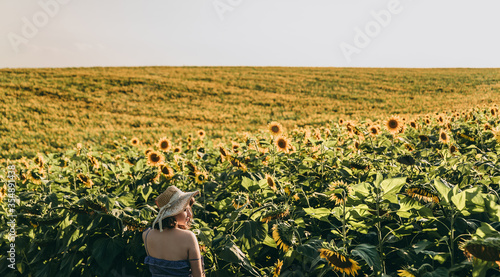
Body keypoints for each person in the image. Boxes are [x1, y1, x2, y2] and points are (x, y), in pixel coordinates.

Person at [142, 185, 205, 277]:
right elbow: (198, 275)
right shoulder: (188, 237)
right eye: (184, 210)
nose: (189, 214)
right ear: (172, 213)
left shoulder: (146, 234)